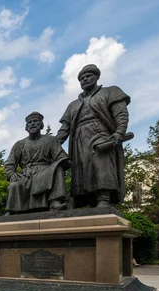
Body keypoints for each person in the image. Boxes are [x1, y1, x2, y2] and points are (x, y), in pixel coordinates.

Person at [57, 64, 132, 208]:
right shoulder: (73, 105)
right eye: (82, 78)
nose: (85, 79)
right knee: (80, 167)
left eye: (88, 76)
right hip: (79, 139)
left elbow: (121, 114)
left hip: (101, 134)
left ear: (97, 77)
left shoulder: (110, 92)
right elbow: (64, 129)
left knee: (101, 162)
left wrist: (119, 132)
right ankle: (82, 200)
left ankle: (103, 198)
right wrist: (52, 144)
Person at [5, 111, 70, 214]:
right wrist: (11, 174)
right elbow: (10, 163)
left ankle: (55, 202)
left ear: (41, 125)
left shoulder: (51, 140)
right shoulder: (19, 144)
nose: (32, 124)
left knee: (58, 169)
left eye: (35, 121)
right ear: (26, 127)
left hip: (45, 173)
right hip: (26, 175)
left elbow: (60, 156)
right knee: (14, 185)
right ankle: (12, 211)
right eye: (30, 122)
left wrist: (65, 162)